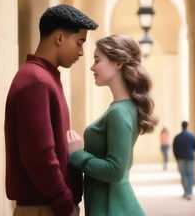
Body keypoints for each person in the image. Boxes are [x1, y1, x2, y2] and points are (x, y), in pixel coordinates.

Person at [4, 4, 98, 216]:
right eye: (79, 42)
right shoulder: (36, 81)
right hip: (45, 208)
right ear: (59, 38)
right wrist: (64, 203)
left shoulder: (45, 77)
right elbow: (39, 155)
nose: (82, 52)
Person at [67, 34, 158, 216]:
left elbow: (115, 171)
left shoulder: (119, 112)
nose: (92, 67)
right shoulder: (125, 108)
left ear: (118, 63)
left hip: (113, 208)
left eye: (97, 60)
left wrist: (77, 154)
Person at [173, 121, 195, 200]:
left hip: (181, 158)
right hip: (190, 158)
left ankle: (186, 192)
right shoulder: (192, 136)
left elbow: (174, 149)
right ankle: (189, 193)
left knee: (183, 175)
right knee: (190, 175)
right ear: (187, 126)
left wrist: (177, 157)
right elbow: (194, 146)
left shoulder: (177, 137)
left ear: (182, 126)